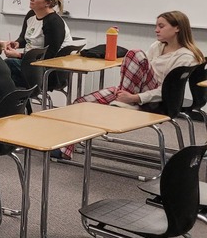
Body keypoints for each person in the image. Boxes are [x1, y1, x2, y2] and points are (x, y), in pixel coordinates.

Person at [56, 11, 204, 159]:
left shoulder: (186, 56)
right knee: (79, 104)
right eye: (156, 26)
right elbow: (138, 71)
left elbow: (167, 91)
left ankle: (122, 103)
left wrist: (135, 98)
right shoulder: (157, 46)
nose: (156, 30)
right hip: (131, 95)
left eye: (161, 26)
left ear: (177, 28)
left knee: (135, 53)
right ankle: (66, 150)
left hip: (156, 102)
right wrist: (127, 95)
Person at [3, 0, 78, 88]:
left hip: (47, 69)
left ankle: (17, 100)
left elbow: (49, 56)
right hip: (30, 63)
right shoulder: (31, 15)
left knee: (5, 68)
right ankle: (19, 100)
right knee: (1, 72)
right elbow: (24, 38)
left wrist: (19, 55)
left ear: (48, 3)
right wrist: (17, 43)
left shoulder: (54, 22)